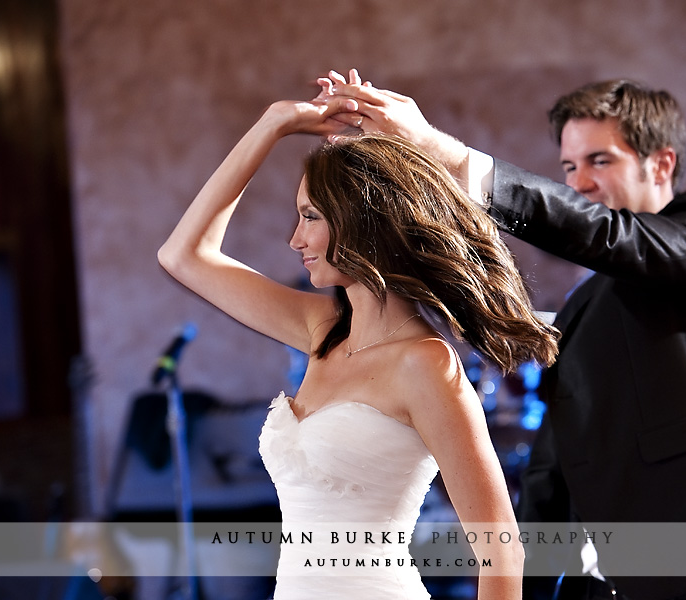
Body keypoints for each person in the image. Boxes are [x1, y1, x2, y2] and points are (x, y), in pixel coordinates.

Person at [321, 70, 686, 600]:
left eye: (600, 160)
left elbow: (605, 234)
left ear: (661, 164)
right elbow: (556, 457)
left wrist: (440, 150)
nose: (579, 183)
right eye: (569, 166)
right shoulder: (582, 304)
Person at [157, 90, 560, 599]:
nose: (294, 240)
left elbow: (501, 547)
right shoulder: (321, 329)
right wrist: (274, 124)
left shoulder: (426, 364)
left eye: (310, 217)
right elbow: (184, 255)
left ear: (360, 221)